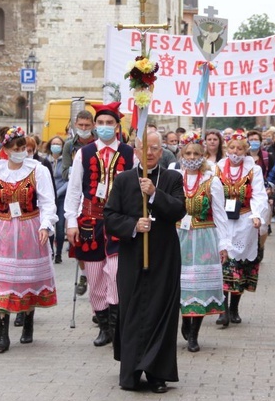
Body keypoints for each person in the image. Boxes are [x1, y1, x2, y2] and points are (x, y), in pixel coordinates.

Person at [104, 130, 187, 393]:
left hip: (164, 256)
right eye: (144, 148)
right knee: (132, 310)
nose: (149, 153)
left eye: (154, 148)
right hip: (132, 254)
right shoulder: (124, 180)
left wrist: (154, 195)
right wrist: (132, 225)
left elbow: (178, 209)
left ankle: (156, 373)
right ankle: (131, 371)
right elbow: (109, 216)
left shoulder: (172, 178)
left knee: (160, 311)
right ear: (135, 149)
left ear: (161, 152)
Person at [0, 127, 57, 353]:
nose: (21, 152)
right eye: (16, 148)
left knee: (27, 277)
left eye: (23, 148)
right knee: (4, 281)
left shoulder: (38, 170)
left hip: (30, 227)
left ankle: (28, 321)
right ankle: (2, 335)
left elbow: (48, 201)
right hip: (3, 229)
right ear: (6, 150)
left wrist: (45, 224)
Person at [65, 102, 134, 346]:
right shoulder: (83, 154)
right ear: (95, 126)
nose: (105, 127)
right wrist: (71, 222)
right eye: (101, 123)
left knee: (115, 275)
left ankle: (116, 326)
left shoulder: (129, 153)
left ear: (117, 126)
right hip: (89, 223)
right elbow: (74, 191)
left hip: (119, 222)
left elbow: (136, 189)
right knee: (94, 279)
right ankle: (103, 326)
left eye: (109, 123)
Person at [174, 133, 229, 353]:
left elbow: (220, 213)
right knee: (179, 282)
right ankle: (185, 320)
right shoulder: (175, 177)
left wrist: (224, 244)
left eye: (196, 153)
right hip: (178, 235)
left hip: (204, 236)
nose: (192, 157)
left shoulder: (212, 180)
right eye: (188, 153)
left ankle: (194, 333)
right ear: (181, 154)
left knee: (198, 285)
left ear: (203, 154)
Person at [215, 130, 269, 327]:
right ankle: (222, 310)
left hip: (244, 220)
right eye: (232, 148)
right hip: (223, 220)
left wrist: (257, 215)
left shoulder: (253, 169)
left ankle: (234, 307)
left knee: (239, 264)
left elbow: (259, 194)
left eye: (239, 148)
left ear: (246, 150)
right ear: (226, 149)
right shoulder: (218, 168)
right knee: (224, 262)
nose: (235, 151)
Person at [61, 109, 97, 296]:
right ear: (76, 125)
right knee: (78, 241)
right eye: (80, 125)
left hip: (97, 193)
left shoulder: (99, 142)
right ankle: (84, 273)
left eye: (87, 126)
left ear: (92, 125)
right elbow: (64, 172)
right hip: (78, 194)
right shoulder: (69, 145)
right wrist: (78, 167)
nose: (83, 129)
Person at [46, 135, 67, 263]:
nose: (56, 146)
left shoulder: (65, 161)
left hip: (61, 197)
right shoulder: (45, 160)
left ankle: (59, 252)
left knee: (59, 227)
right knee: (49, 225)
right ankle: (51, 251)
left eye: (58, 144)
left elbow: (68, 181)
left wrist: (57, 193)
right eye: (54, 143)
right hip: (48, 198)